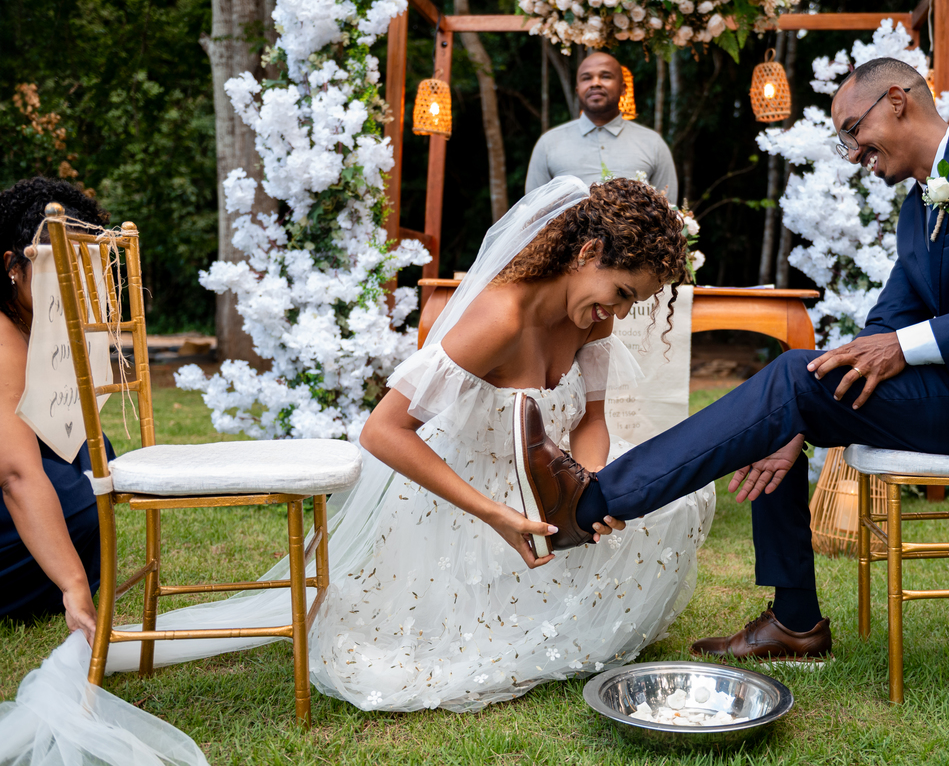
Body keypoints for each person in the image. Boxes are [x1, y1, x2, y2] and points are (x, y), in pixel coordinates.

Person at [514, 57, 949, 666]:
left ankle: (589, 504)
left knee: (795, 379)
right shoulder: (916, 209)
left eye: (852, 129)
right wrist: (796, 421)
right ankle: (794, 623)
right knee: (796, 391)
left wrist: (904, 348)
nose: (850, 152)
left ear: (897, 99)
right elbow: (885, 324)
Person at [92, 176, 714, 714]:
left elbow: (592, 418)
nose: (622, 312)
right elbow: (381, 432)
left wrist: (584, 486)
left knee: (675, 504)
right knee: (416, 653)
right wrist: (496, 513)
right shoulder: (498, 318)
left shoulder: (593, 317)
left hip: (542, 483)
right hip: (461, 496)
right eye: (625, 292)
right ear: (586, 253)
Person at [0, 177, 116, 641]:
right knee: (76, 494)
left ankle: (56, 575)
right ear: (13, 267)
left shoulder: (33, 322)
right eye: (54, 274)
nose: (70, 289)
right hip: (8, 481)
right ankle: (60, 583)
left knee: (93, 453)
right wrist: (72, 584)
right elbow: (15, 474)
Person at [526, 52, 678, 204]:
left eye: (605, 76)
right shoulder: (548, 143)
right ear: (577, 89)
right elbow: (532, 213)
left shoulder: (652, 143)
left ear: (623, 88)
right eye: (586, 78)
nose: (595, 83)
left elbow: (669, 212)